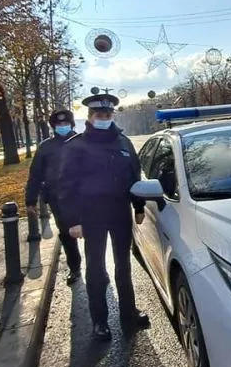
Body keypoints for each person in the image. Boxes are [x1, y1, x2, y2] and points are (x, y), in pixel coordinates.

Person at [57, 92, 149, 341]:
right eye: (99, 115)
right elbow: (66, 186)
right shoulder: (76, 146)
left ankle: (128, 314)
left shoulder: (124, 142)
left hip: (120, 212)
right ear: (89, 117)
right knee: (96, 268)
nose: (104, 118)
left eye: (108, 115)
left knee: (123, 266)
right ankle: (100, 321)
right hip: (91, 215)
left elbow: (134, 177)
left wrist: (138, 206)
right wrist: (73, 221)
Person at [25, 109, 82, 285]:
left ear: (72, 124)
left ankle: (98, 270)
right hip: (59, 201)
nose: (62, 127)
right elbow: (35, 175)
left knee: (93, 233)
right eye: (59, 125)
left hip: (84, 198)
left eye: (66, 124)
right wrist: (30, 200)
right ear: (53, 127)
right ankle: (75, 268)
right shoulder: (46, 147)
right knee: (66, 235)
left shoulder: (83, 142)